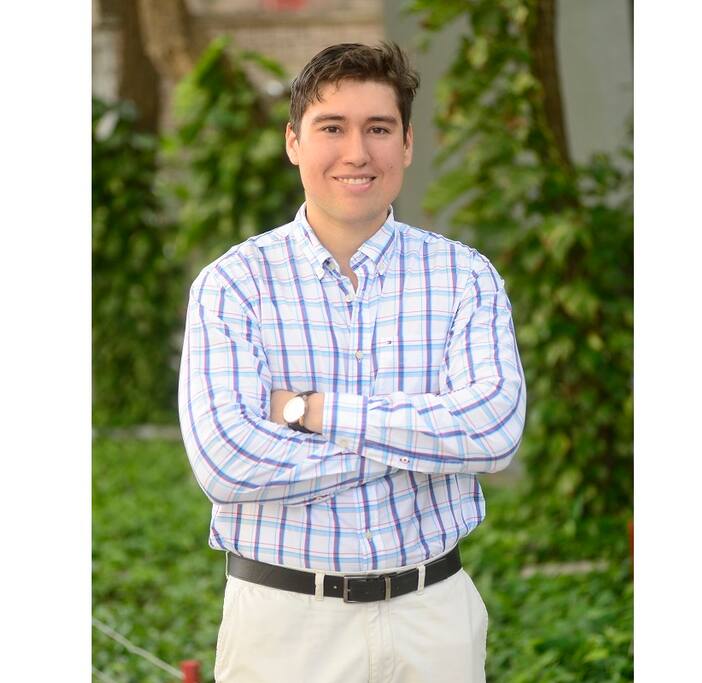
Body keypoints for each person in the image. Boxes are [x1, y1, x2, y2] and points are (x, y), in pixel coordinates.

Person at [179, 41, 526, 683]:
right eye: (332, 128)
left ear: (408, 144)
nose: (357, 152)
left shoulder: (465, 276)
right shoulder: (233, 284)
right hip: (285, 625)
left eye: (379, 129)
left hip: (434, 619)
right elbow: (227, 463)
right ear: (294, 142)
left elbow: (493, 431)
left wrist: (307, 412)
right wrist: (423, 445)